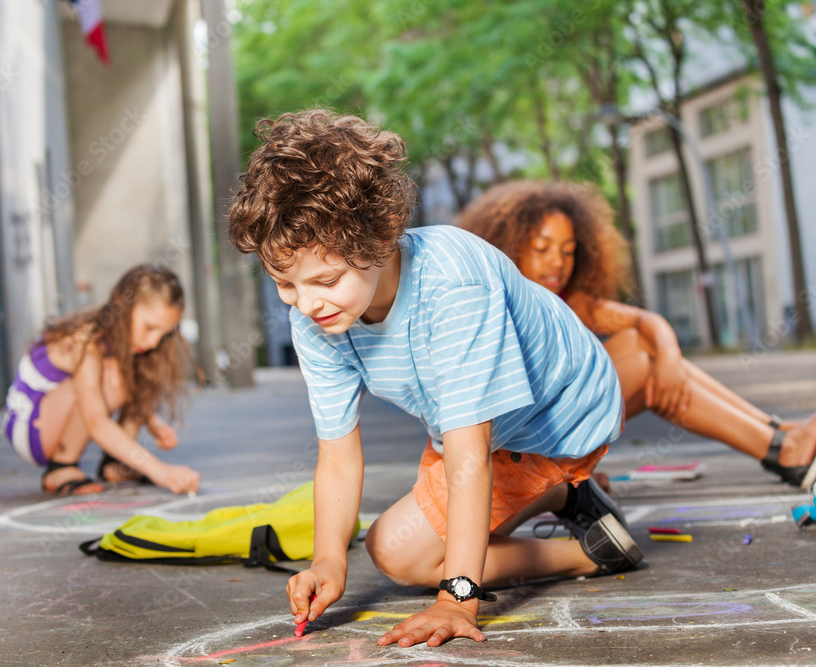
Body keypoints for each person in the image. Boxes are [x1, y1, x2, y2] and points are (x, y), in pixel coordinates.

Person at [227, 110, 641, 649]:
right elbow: (337, 452)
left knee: (400, 553)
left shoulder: (452, 286)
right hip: (480, 429)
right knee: (406, 537)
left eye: (325, 279)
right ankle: (568, 499)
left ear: (379, 239)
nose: (304, 304)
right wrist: (328, 561)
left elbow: (471, 454)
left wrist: (456, 598)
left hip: (556, 419)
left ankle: (592, 548)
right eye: (284, 283)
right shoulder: (317, 313)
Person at [457, 180, 816, 488]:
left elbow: (645, 323)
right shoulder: (497, 304)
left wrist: (671, 358)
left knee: (642, 345)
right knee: (644, 367)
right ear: (507, 249)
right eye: (542, 249)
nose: (558, 262)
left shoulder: (572, 301)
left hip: (556, 426)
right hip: (521, 446)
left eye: (569, 251)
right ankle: (783, 449)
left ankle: (776, 431)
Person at [3, 264, 201, 496]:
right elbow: (96, 421)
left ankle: (116, 464)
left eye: (163, 334)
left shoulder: (120, 339)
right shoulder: (85, 339)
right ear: (122, 306)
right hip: (28, 426)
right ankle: (61, 467)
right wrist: (160, 471)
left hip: (49, 417)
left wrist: (152, 421)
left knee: (140, 372)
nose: (153, 342)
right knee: (114, 375)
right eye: (149, 328)